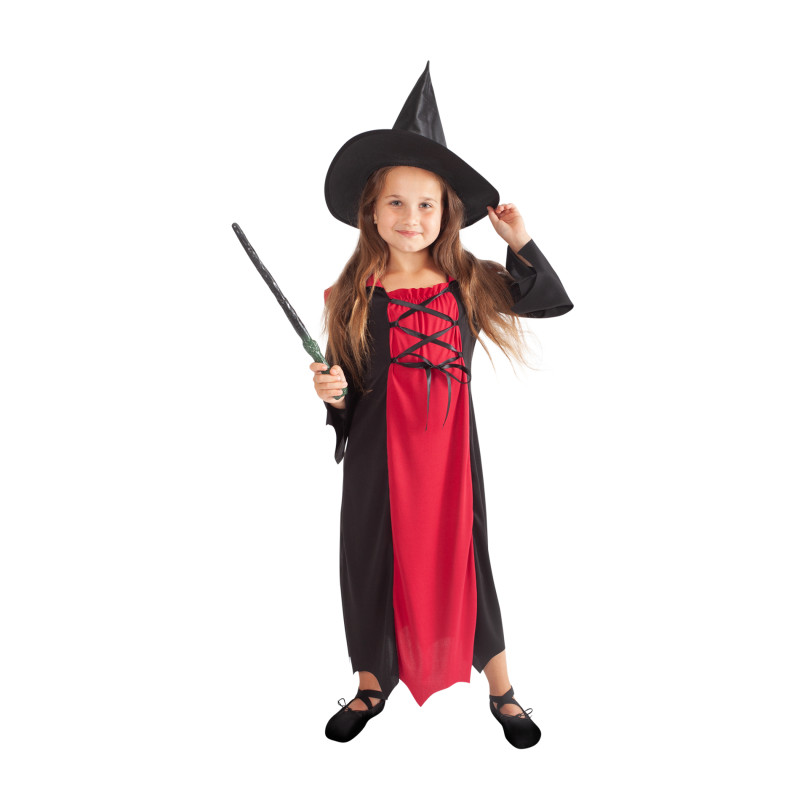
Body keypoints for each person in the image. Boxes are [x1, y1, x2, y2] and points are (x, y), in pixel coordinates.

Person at [309, 63, 573, 748]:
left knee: (466, 557)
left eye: (426, 205)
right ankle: (371, 684)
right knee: (373, 557)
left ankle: (502, 689)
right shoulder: (350, 296)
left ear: (447, 213)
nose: (411, 218)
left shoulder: (468, 283)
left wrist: (519, 242)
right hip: (379, 458)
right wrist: (332, 394)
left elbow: (548, 300)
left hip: (450, 455)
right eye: (396, 203)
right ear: (371, 210)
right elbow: (347, 394)